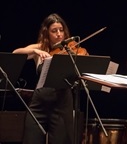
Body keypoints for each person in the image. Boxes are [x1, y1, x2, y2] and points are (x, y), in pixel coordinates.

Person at [13, 13, 87, 144]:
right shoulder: (40, 48)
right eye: (54, 31)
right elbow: (15, 53)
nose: (59, 34)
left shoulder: (71, 49)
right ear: (47, 33)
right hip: (39, 104)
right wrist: (35, 51)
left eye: (61, 30)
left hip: (62, 104)